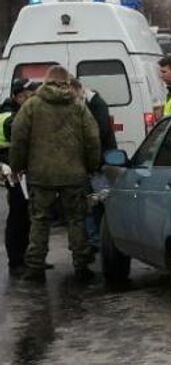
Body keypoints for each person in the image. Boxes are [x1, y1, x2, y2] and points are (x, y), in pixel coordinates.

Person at [10, 66, 101, 283]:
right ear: (67, 82)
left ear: (46, 81)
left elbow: (19, 137)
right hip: (73, 174)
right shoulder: (78, 107)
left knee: (40, 220)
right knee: (76, 220)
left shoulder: (32, 105)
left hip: (41, 175)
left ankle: (34, 267)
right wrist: (90, 167)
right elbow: (93, 139)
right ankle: (81, 266)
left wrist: (18, 166)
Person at [70, 78, 116, 252]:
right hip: (90, 162)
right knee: (90, 203)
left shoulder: (97, 104)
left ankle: (100, 239)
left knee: (101, 201)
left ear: (79, 89)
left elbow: (100, 133)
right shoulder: (86, 104)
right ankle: (94, 239)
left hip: (99, 162)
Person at [0, 79, 40, 276]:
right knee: (18, 216)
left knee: (26, 215)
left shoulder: (18, 113)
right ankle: (16, 260)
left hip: (19, 171)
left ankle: (25, 256)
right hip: (13, 173)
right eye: (26, 95)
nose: (30, 98)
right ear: (17, 97)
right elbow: (19, 143)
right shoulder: (11, 117)